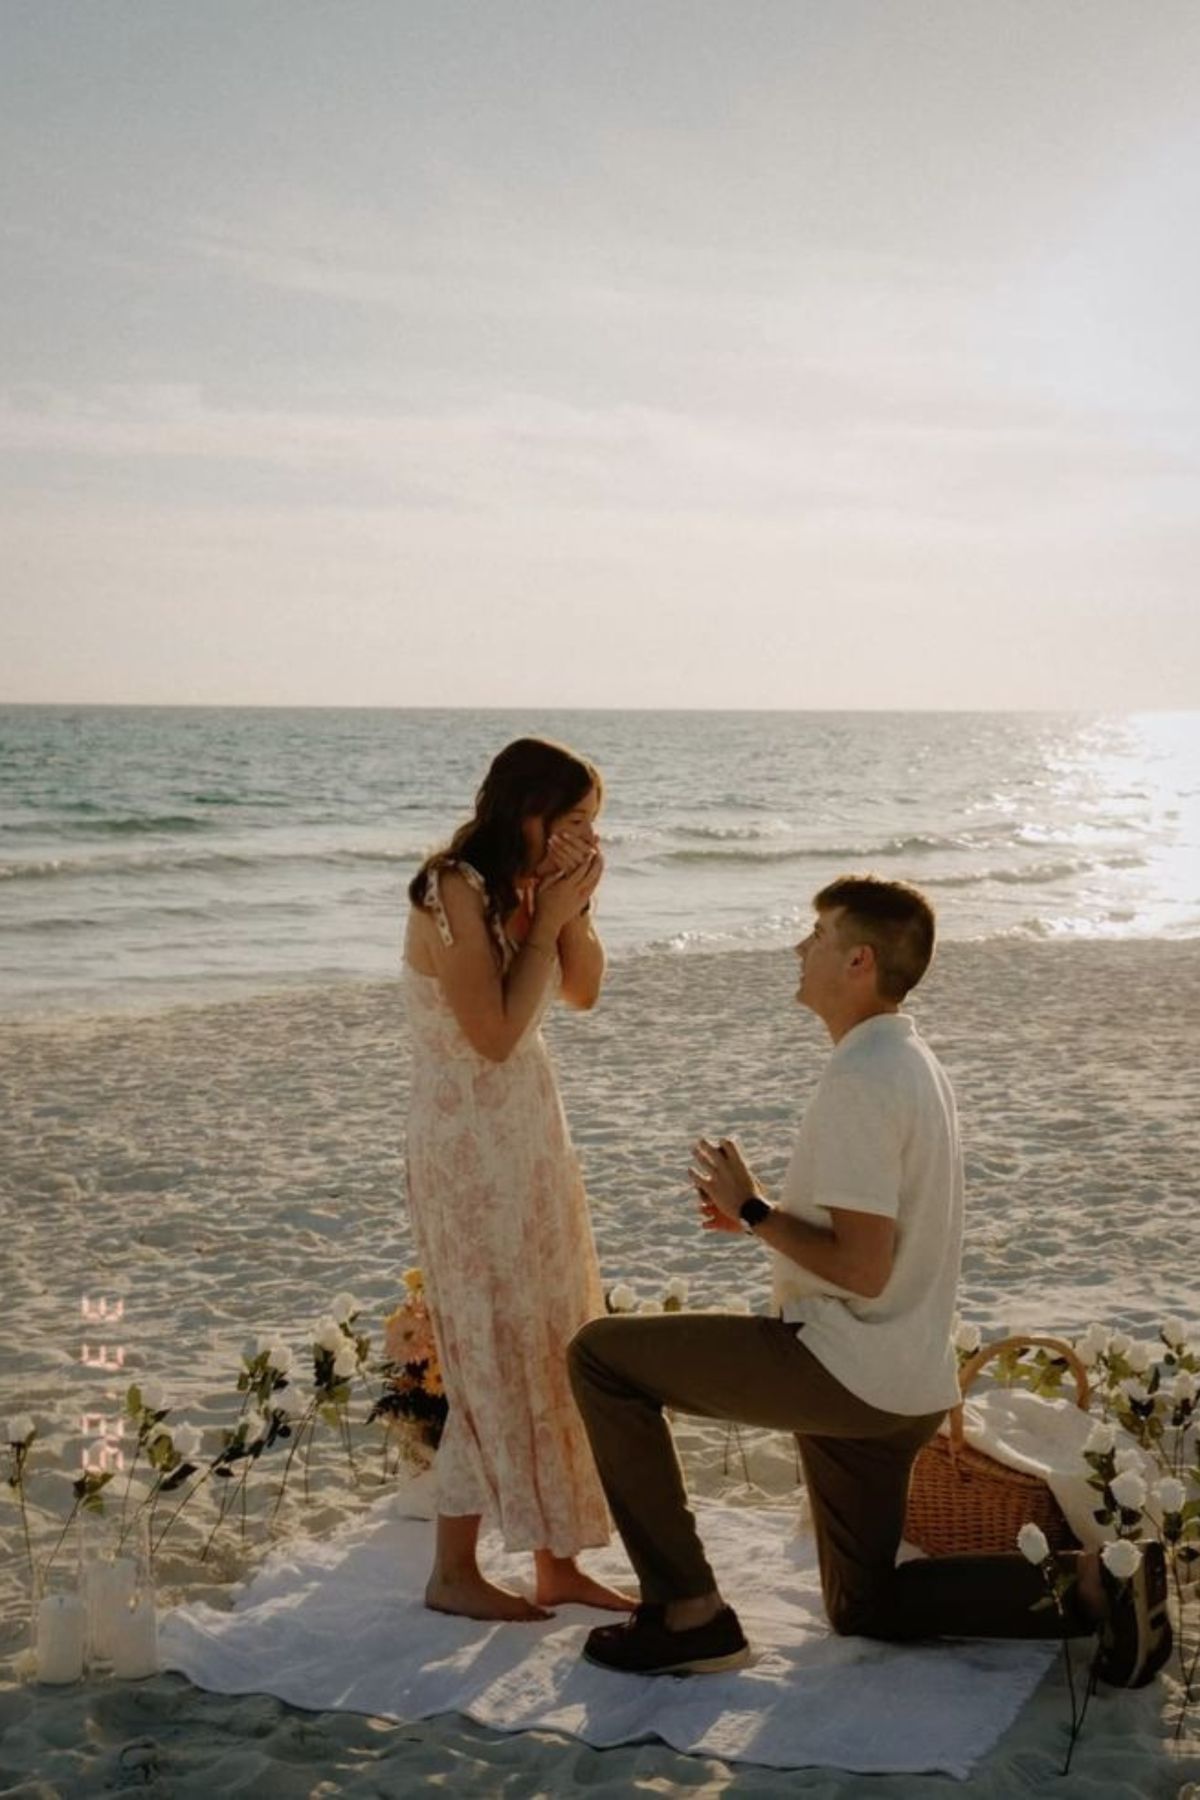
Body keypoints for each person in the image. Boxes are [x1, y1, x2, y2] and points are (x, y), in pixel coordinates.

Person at [568, 875, 1172, 1685]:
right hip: (905, 1384)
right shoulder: (909, 1060)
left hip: (843, 1369)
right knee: (865, 1604)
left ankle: (688, 1614)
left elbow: (861, 1267)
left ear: (858, 961)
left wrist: (753, 1210)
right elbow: (872, 1240)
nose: (799, 947)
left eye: (817, 935)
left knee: (601, 1357)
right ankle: (1101, 1584)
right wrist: (766, 1218)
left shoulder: (863, 1078)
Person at [403, 736, 631, 1621]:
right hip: (467, 1140)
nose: (587, 838)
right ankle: (451, 1570)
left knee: (553, 1329)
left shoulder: (528, 887)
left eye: (593, 824)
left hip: (530, 1131)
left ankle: (556, 1562)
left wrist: (571, 911)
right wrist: (545, 921)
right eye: (573, 820)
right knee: (489, 1341)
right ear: (525, 810)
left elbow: (583, 991)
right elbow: (493, 1035)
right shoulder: (453, 888)